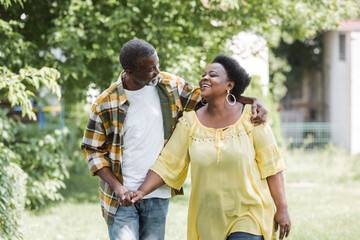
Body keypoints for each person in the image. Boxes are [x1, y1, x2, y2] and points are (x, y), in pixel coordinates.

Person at [81, 40, 268, 240]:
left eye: (157, 65)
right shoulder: (105, 103)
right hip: (120, 197)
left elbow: (213, 96)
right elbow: (92, 149)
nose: (157, 71)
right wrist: (118, 188)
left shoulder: (170, 86)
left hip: (157, 193)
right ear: (130, 71)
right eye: (151, 69)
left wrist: (253, 100)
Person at [125, 54, 291, 240]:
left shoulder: (252, 118)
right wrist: (141, 191)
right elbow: (167, 163)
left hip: (248, 213)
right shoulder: (189, 123)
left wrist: (282, 208)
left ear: (230, 85)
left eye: (213, 75)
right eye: (204, 74)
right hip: (207, 219)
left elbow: (272, 166)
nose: (205, 78)